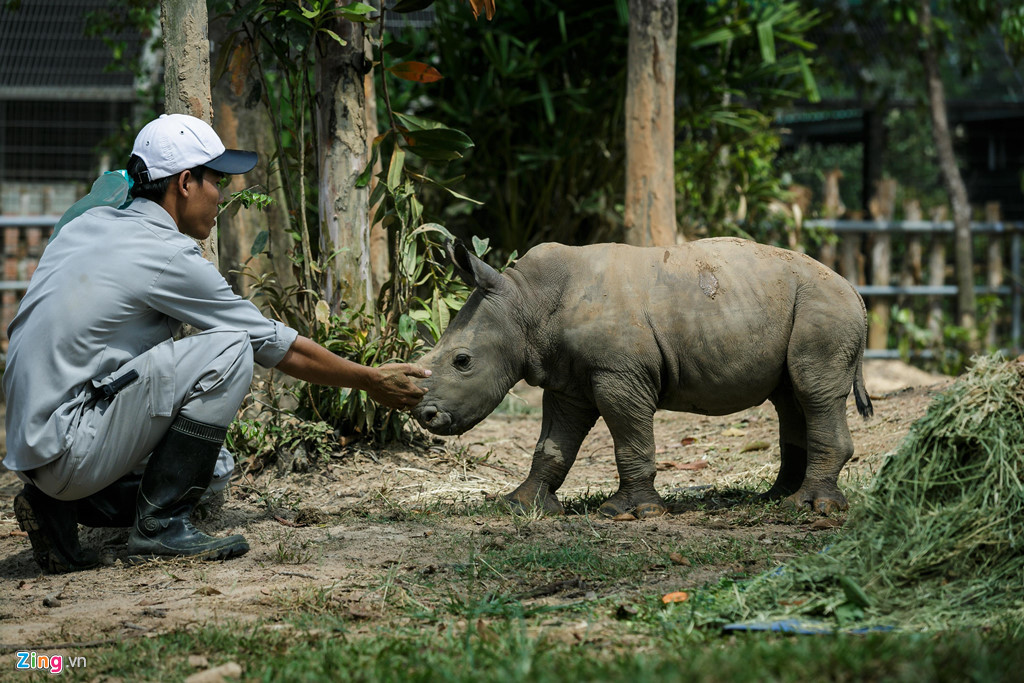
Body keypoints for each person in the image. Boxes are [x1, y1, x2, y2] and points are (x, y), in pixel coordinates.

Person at [3, 113, 430, 574]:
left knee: (215, 471)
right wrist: (369, 379)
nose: (222, 196)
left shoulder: (88, 224)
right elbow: (276, 345)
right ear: (185, 182)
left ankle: (56, 510)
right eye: (217, 181)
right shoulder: (163, 252)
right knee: (230, 348)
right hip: (73, 445)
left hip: (36, 449)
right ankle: (160, 528)